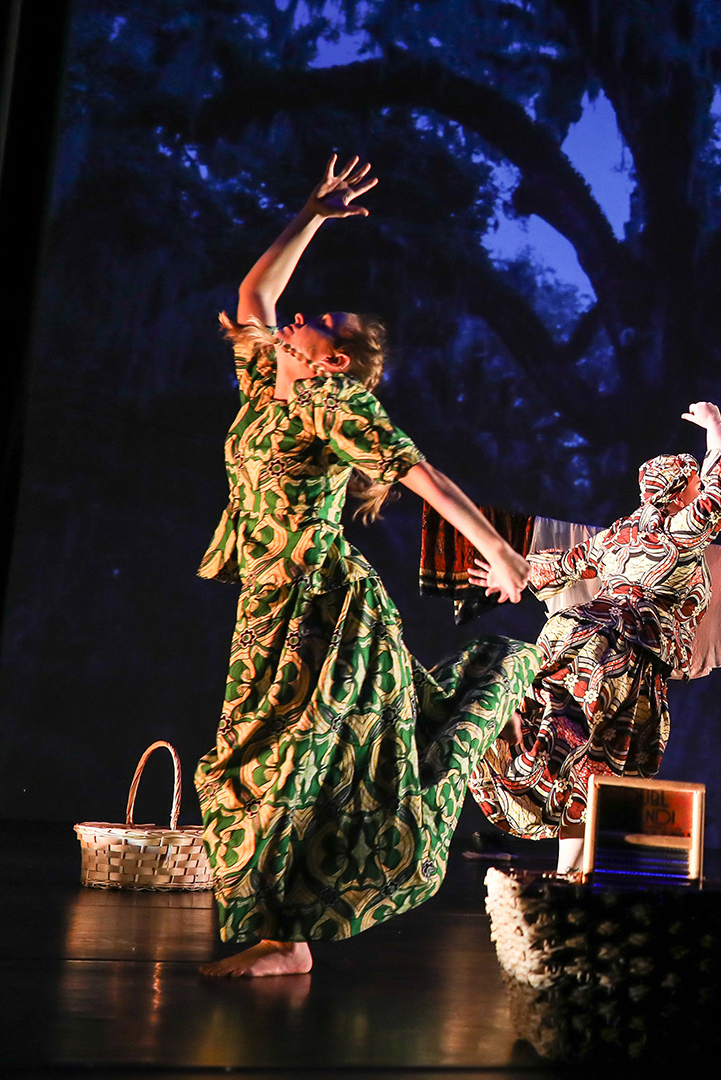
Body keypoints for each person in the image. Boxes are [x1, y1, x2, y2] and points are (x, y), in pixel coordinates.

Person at [194, 156, 540, 977]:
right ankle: (287, 937)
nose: (300, 316)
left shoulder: (334, 403)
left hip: (320, 602)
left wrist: (497, 550)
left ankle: (284, 936)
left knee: (280, 763)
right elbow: (254, 300)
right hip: (267, 601)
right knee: (257, 767)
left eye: (321, 321)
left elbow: (423, 476)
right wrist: (310, 213)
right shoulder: (266, 392)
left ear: (333, 360)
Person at [466, 403, 721, 874]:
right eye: (695, 485)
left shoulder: (621, 533)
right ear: (681, 494)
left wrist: (515, 571)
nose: (702, 487)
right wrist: (717, 425)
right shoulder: (678, 530)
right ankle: (575, 869)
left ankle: (568, 872)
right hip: (619, 649)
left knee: (569, 748)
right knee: (594, 755)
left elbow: (563, 564)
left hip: (572, 637)